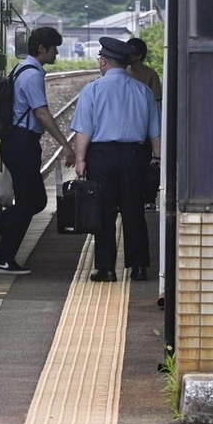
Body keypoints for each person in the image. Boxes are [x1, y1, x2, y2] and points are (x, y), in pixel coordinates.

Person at [0, 26, 77, 275]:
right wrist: (65, 144)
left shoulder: (23, 68)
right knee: (31, 201)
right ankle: (1, 254)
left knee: (35, 200)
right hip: (21, 143)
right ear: (42, 49)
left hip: (18, 143)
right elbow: (41, 113)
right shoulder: (32, 76)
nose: (57, 54)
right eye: (54, 49)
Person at [71, 37, 161, 282]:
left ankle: (106, 268)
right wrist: (156, 157)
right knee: (134, 210)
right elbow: (156, 131)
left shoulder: (92, 90)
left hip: (101, 156)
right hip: (134, 156)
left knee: (104, 213)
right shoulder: (143, 91)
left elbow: (84, 131)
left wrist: (81, 160)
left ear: (103, 62)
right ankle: (140, 267)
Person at [127, 37, 163, 209]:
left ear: (139, 55)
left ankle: (148, 198)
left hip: (146, 126)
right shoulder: (123, 72)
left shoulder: (150, 75)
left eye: (131, 51)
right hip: (129, 125)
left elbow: (157, 103)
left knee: (147, 163)